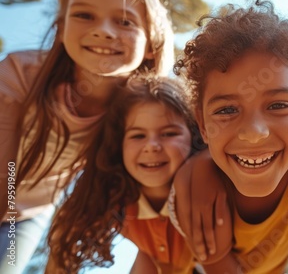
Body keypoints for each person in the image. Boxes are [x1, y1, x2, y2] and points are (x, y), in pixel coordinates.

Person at [0, 0, 173, 273]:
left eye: (124, 21)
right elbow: (5, 172)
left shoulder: (138, 117)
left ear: (151, 43)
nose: (102, 31)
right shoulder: (21, 74)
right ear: (62, 28)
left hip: (27, 215)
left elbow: (82, 208)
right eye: (84, 15)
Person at [169, 0, 288, 274]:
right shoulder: (198, 192)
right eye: (227, 110)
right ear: (203, 125)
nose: (254, 132)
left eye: (277, 105)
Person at [45, 73, 203, 274]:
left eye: (169, 133)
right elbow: (61, 247)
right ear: (119, 146)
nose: (151, 146)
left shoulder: (209, 189)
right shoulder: (115, 201)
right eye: (138, 135)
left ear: (195, 135)